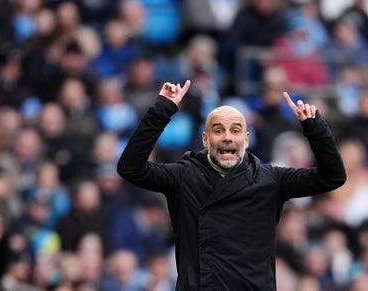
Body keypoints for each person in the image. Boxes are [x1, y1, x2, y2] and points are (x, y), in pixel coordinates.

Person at [117, 80, 346, 290]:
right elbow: (130, 168)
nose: (227, 137)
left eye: (235, 131)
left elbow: (332, 177)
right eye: (219, 131)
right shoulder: (183, 176)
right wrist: (162, 110)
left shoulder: (270, 179)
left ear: (246, 140)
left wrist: (314, 128)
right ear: (206, 140)